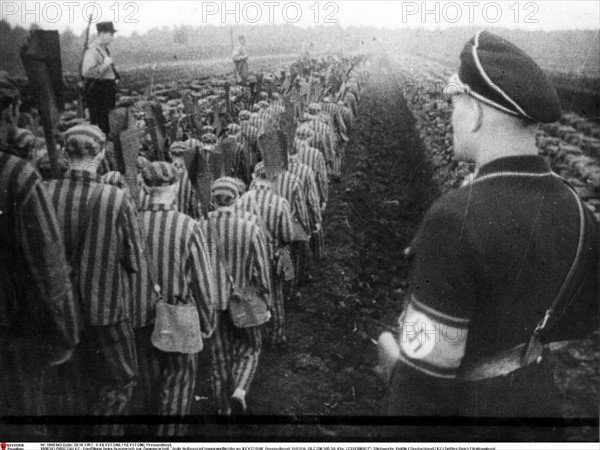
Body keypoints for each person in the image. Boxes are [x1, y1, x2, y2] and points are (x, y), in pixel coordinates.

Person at [378, 31, 599, 438]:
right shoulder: (579, 211)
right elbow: (577, 324)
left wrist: (396, 362)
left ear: (476, 112)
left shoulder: (454, 219)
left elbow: (421, 391)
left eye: (454, 102)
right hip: (540, 410)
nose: (450, 115)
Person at [45, 123, 143, 436]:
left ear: (63, 153)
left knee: (65, 384)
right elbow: (134, 260)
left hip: (58, 310)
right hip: (106, 312)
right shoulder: (115, 199)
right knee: (119, 381)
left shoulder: (45, 192)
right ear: (101, 154)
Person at [0, 72, 79, 437]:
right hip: (11, 328)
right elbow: (48, 265)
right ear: (13, 112)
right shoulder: (17, 176)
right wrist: (65, 331)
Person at [138, 162, 216, 435]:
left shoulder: (132, 220)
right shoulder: (188, 226)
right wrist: (207, 322)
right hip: (178, 317)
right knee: (180, 381)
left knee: (148, 382)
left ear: (145, 187)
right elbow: (203, 281)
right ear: (174, 188)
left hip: (140, 318)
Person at [201, 177, 272, 415]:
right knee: (251, 347)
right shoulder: (250, 227)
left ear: (213, 200)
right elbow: (261, 272)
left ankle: (221, 409)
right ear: (237, 199)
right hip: (241, 301)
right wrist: (266, 301)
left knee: (219, 356)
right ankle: (239, 390)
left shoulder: (199, 226)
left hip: (212, 302)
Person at [238, 178, 294, 347]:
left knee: (251, 294)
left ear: (254, 178)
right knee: (275, 296)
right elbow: (288, 235)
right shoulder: (280, 202)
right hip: (272, 256)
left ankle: (255, 336)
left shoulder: (243, 199)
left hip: (248, 258)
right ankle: (277, 337)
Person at [82, 21, 120, 134]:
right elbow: (87, 72)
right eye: (110, 34)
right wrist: (105, 65)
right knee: (100, 125)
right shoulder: (93, 50)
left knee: (107, 124)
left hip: (106, 92)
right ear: (101, 34)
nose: (112, 38)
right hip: (98, 93)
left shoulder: (104, 50)